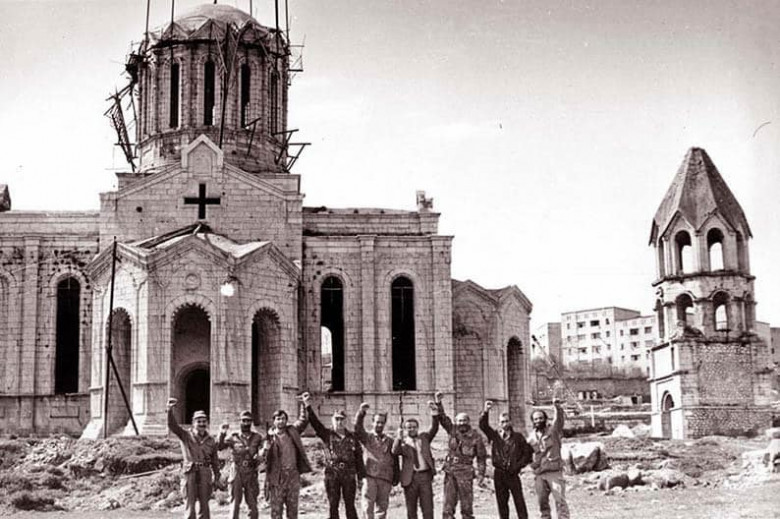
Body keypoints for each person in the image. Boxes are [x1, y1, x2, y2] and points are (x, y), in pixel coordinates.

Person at [306, 401, 365, 519]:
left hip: (349, 475)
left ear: (346, 421)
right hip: (332, 474)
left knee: (350, 505)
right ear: (332, 420)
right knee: (333, 505)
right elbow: (315, 423)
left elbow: (359, 457)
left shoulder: (352, 437)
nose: (339, 422)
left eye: (342, 419)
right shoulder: (327, 434)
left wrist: (361, 477)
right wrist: (308, 406)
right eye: (337, 419)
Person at [167, 398, 222, 519]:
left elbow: (215, 460)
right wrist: (170, 410)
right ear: (193, 422)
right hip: (190, 472)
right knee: (190, 504)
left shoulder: (211, 440)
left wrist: (217, 476)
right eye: (199, 421)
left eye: (204, 421)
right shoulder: (185, 435)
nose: (202, 424)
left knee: (204, 505)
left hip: (205, 472)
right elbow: (172, 426)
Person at [479, 400, 533, 519]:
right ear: (499, 423)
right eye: (502, 421)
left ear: (511, 422)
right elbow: (483, 426)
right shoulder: (495, 436)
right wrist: (486, 411)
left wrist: (518, 466)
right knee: (502, 502)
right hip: (499, 473)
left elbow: (527, 454)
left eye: (507, 421)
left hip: (513, 474)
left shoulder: (518, 437)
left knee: (519, 501)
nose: (505, 423)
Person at [437, 392, 487, 519]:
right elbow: (442, 418)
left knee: (466, 506)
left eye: (464, 420)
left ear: (468, 421)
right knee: (448, 505)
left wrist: (481, 474)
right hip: (450, 471)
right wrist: (438, 403)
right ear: (456, 422)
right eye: (459, 421)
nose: (462, 423)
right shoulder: (452, 430)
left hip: (465, 473)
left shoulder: (476, 436)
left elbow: (481, 457)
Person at [391, 398, 441, 519]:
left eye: (414, 427)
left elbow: (434, 428)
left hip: (424, 477)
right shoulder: (403, 442)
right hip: (410, 478)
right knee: (411, 510)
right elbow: (395, 451)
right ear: (405, 429)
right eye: (409, 427)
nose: (412, 429)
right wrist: (398, 438)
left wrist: (434, 413)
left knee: (428, 508)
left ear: (418, 428)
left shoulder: (424, 438)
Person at [264, 394, 312, 519]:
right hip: (277, 478)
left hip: (292, 475)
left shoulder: (292, 431)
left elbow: (303, 420)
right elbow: (263, 459)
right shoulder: (269, 437)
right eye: (278, 419)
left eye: (283, 419)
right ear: (274, 421)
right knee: (276, 511)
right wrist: (265, 449)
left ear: (286, 420)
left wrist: (303, 404)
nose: (281, 421)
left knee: (292, 510)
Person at [218, 410, 265, 519]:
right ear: (240, 421)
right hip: (237, 470)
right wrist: (222, 433)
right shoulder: (233, 436)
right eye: (244, 420)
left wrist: (261, 455)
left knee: (252, 504)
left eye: (248, 421)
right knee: (235, 502)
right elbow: (220, 447)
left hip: (251, 471)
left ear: (251, 422)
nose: (246, 423)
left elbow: (265, 448)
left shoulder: (257, 437)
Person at [528, 398, 570, 519]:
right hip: (540, 474)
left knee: (560, 500)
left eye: (541, 418)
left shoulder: (553, 431)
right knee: (542, 502)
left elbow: (559, 420)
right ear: (533, 421)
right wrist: (531, 466)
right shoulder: (531, 438)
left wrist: (557, 407)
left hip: (554, 472)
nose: (538, 421)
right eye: (536, 419)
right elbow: (527, 455)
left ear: (545, 419)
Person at [354, 402, 396, 519]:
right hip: (370, 477)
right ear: (373, 422)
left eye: (382, 422)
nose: (379, 425)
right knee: (367, 507)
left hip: (385, 478)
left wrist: (394, 477)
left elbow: (395, 459)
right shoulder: (367, 437)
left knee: (382, 509)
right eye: (377, 422)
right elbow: (358, 428)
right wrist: (361, 413)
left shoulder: (390, 441)